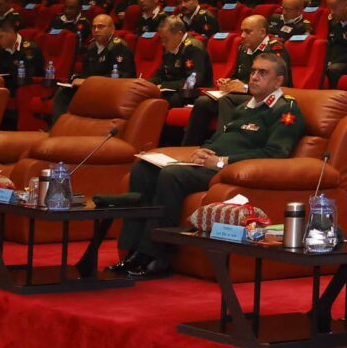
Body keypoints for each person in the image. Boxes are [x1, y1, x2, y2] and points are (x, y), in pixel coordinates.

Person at [112, 51, 304, 279]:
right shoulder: (245, 106)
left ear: (278, 80)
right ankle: (132, 251)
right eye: (253, 71)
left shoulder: (285, 109)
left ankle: (157, 255)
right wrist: (203, 150)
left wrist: (222, 161)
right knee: (143, 169)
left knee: (172, 176)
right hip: (211, 165)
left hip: (230, 173)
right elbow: (220, 138)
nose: (254, 77)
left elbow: (275, 154)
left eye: (262, 73)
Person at [182, 17, 284, 138]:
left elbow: (277, 84)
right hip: (243, 94)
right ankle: (189, 144)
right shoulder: (243, 48)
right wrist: (229, 83)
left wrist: (245, 88)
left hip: (265, 97)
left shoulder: (274, 50)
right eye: (242, 31)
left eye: (247, 31)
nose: (242, 35)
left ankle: (222, 142)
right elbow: (237, 75)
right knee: (202, 102)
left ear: (262, 32)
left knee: (227, 100)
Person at [149, 16, 215, 108]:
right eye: (161, 39)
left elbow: (193, 81)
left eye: (166, 39)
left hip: (194, 94)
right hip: (174, 91)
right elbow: (160, 74)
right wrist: (146, 84)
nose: (163, 43)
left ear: (179, 34)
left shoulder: (193, 48)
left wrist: (164, 86)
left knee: (163, 101)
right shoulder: (170, 48)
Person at [0, 17, 45, 89]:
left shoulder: (30, 49)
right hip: (9, 89)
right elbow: (2, 74)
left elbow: (27, 78)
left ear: (11, 32)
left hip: (30, 89)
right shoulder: (1, 51)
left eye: (0, 37)